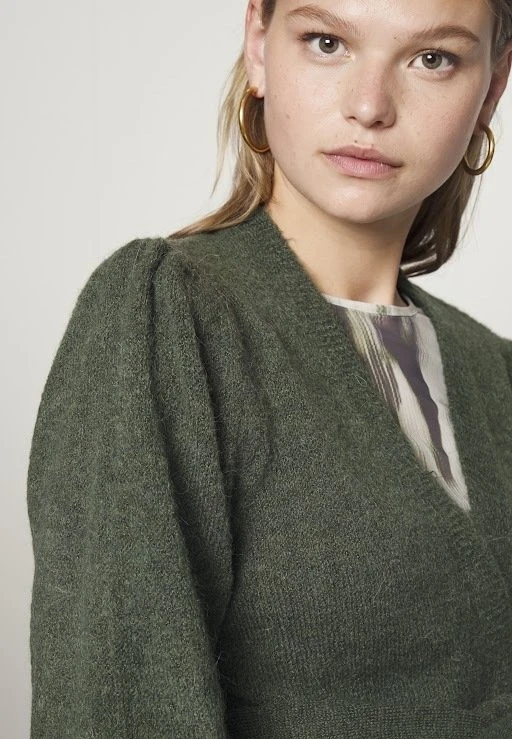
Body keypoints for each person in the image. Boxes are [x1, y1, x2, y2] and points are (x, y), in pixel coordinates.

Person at [27, 0, 512, 737]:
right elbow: (115, 704)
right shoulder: (169, 315)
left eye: (432, 59)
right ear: (259, 43)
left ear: (493, 84)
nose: (370, 106)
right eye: (327, 42)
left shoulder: (495, 371)